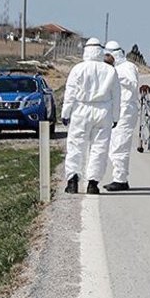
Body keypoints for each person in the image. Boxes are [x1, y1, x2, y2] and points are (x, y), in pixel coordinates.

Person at [61, 37, 121, 195]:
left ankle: (72, 181)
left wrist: (65, 113)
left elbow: (70, 93)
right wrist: (116, 117)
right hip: (103, 111)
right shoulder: (110, 70)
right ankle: (93, 183)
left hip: (81, 110)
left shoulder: (78, 69)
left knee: (76, 146)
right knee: (99, 148)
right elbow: (116, 96)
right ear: (101, 50)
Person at [103, 40, 140, 191]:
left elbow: (132, 83)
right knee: (114, 145)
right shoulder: (115, 69)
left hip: (126, 110)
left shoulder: (127, 67)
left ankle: (120, 179)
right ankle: (118, 177)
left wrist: (115, 75)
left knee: (120, 145)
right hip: (117, 111)